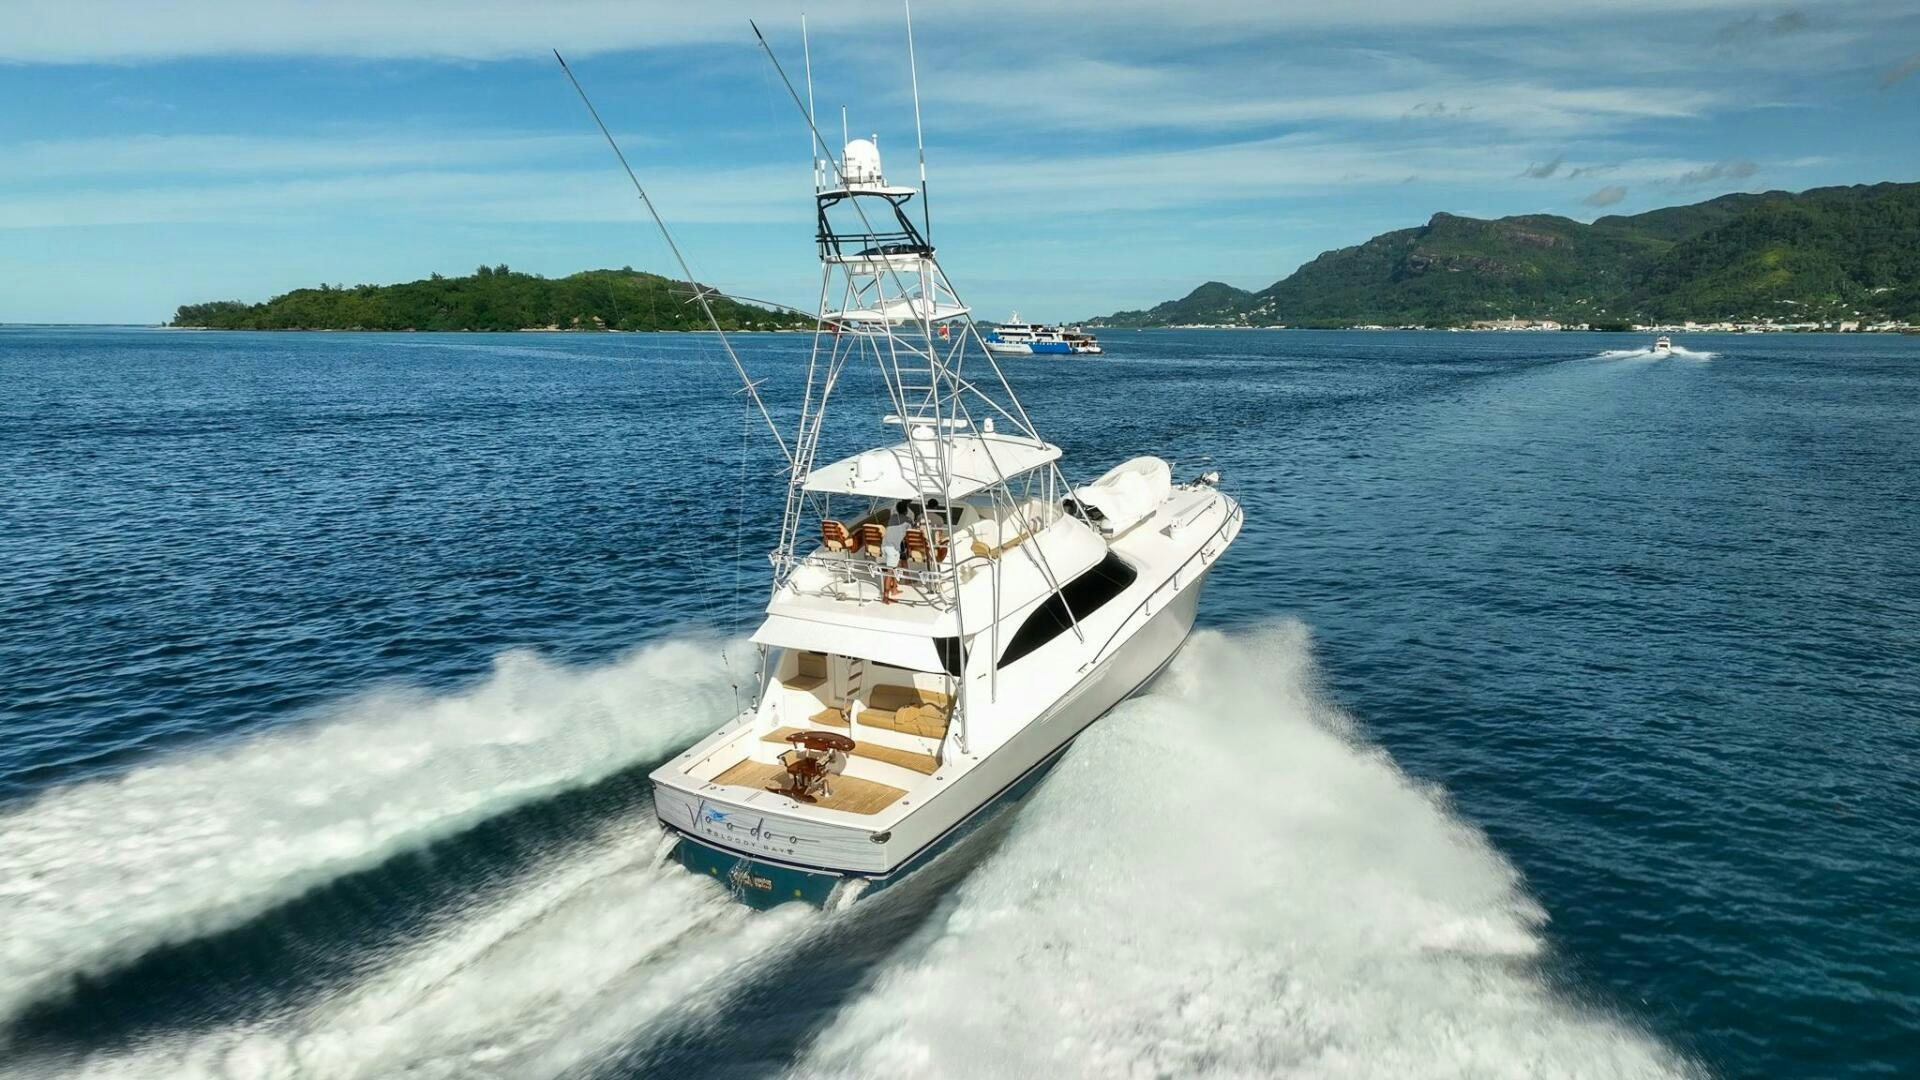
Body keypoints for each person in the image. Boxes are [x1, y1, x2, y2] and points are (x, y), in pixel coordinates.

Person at [880, 500, 910, 603]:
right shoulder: (908, 520)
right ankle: (885, 596)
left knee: (893, 568)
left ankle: (894, 589)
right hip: (892, 549)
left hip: (884, 546)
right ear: (906, 511)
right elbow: (911, 532)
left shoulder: (892, 517)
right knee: (890, 571)